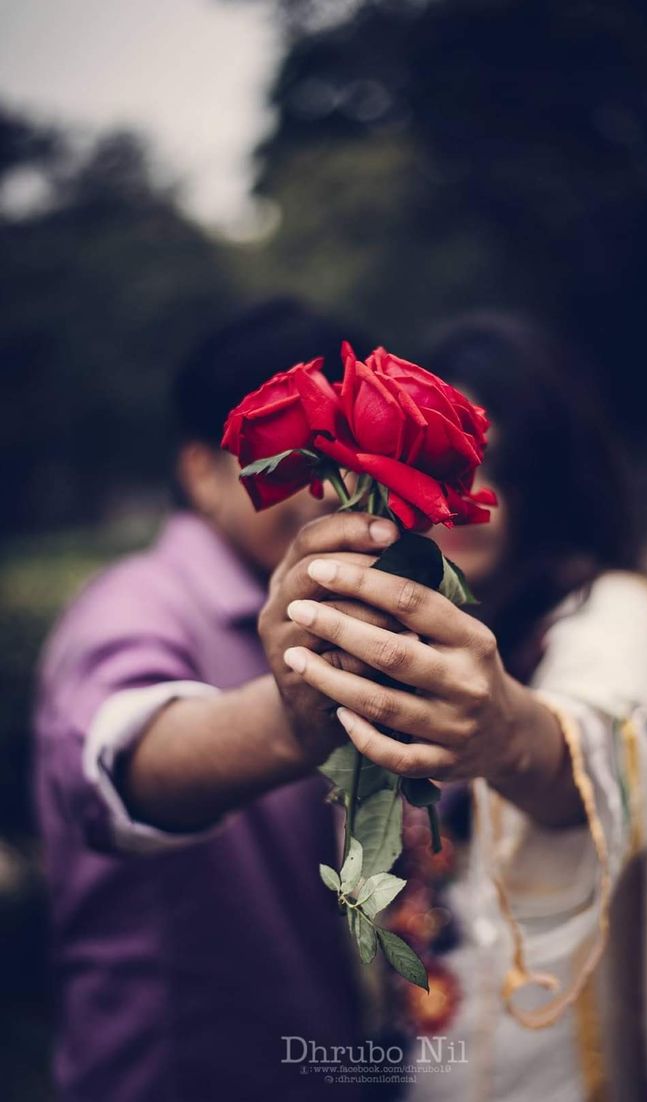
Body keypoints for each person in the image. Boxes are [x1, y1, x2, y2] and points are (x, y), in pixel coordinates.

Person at [271, 314, 647, 1099]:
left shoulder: (615, 611)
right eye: (432, 462)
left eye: (487, 466)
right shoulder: (400, 621)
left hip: (562, 1062)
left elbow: (600, 744)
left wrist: (509, 739)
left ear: (548, 479)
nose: (463, 494)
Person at [33, 299, 401, 1102]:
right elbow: (118, 759)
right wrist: (290, 720)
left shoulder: (344, 602)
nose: (327, 491)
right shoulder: (136, 604)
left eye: (350, 455)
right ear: (201, 470)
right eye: (297, 461)